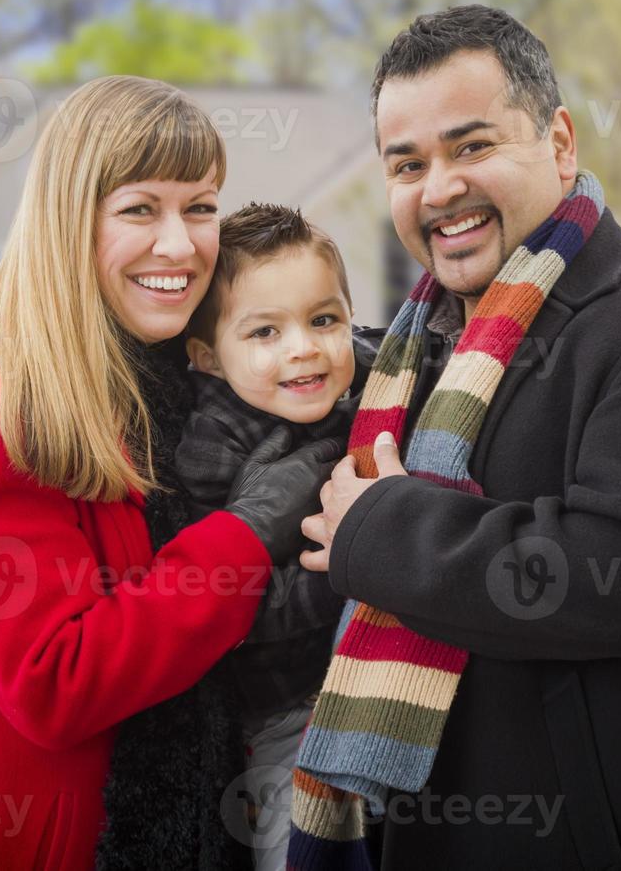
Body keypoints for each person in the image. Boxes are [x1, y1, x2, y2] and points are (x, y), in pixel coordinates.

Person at [286, 4, 621, 870]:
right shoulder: (397, 360)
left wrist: (382, 528)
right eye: (408, 164)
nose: (439, 190)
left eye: (472, 147)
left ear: (560, 142)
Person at [0, 75, 336, 870]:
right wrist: (248, 530)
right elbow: (55, 681)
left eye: (201, 207)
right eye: (141, 209)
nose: (181, 244)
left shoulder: (184, 387)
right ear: (71, 221)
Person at [176, 202, 378, 870]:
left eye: (325, 320)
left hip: (366, 685)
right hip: (281, 709)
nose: (303, 348)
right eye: (265, 332)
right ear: (208, 357)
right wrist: (347, 574)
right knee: (302, 846)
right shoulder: (212, 445)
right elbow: (236, 608)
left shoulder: (368, 387)